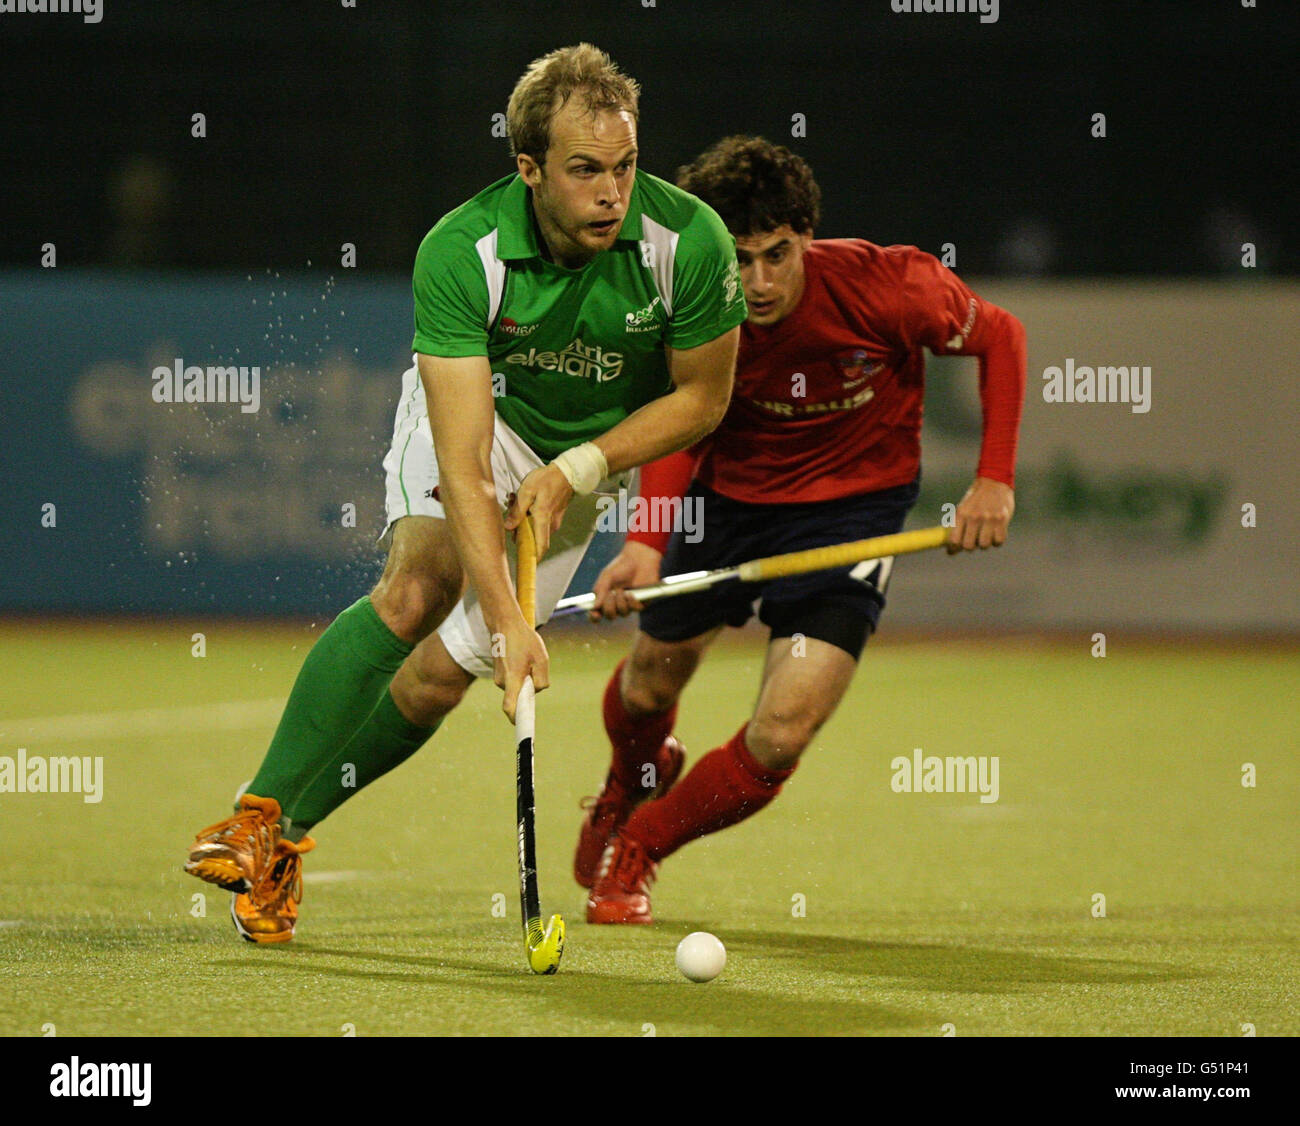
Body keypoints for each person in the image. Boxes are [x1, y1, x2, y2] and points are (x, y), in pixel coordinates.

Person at [182, 44, 746, 943]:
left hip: (590, 456)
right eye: (586, 171)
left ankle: (284, 840)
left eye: (627, 166)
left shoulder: (691, 242)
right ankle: (256, 809)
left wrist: (582, 468)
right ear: (528, 170)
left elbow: (702, 400)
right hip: (492, 426)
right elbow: (470, 459)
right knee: (418, 588)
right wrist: (512, 618)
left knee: (439, 683)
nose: (614, 192)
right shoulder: (461, 251)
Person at [575, 135, 1027, 923]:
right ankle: (630, 782)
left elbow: (1002, 337)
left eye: (776, 255)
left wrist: (994, 477)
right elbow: (681, 427)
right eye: (739, 259)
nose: (757, 282)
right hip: (728, 502)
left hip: (853, 516)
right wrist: (646, 540)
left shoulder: (890, 285)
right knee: (648, 686)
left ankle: (640, 847)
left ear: (807, 237)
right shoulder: (693, 303)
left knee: (781, 735)